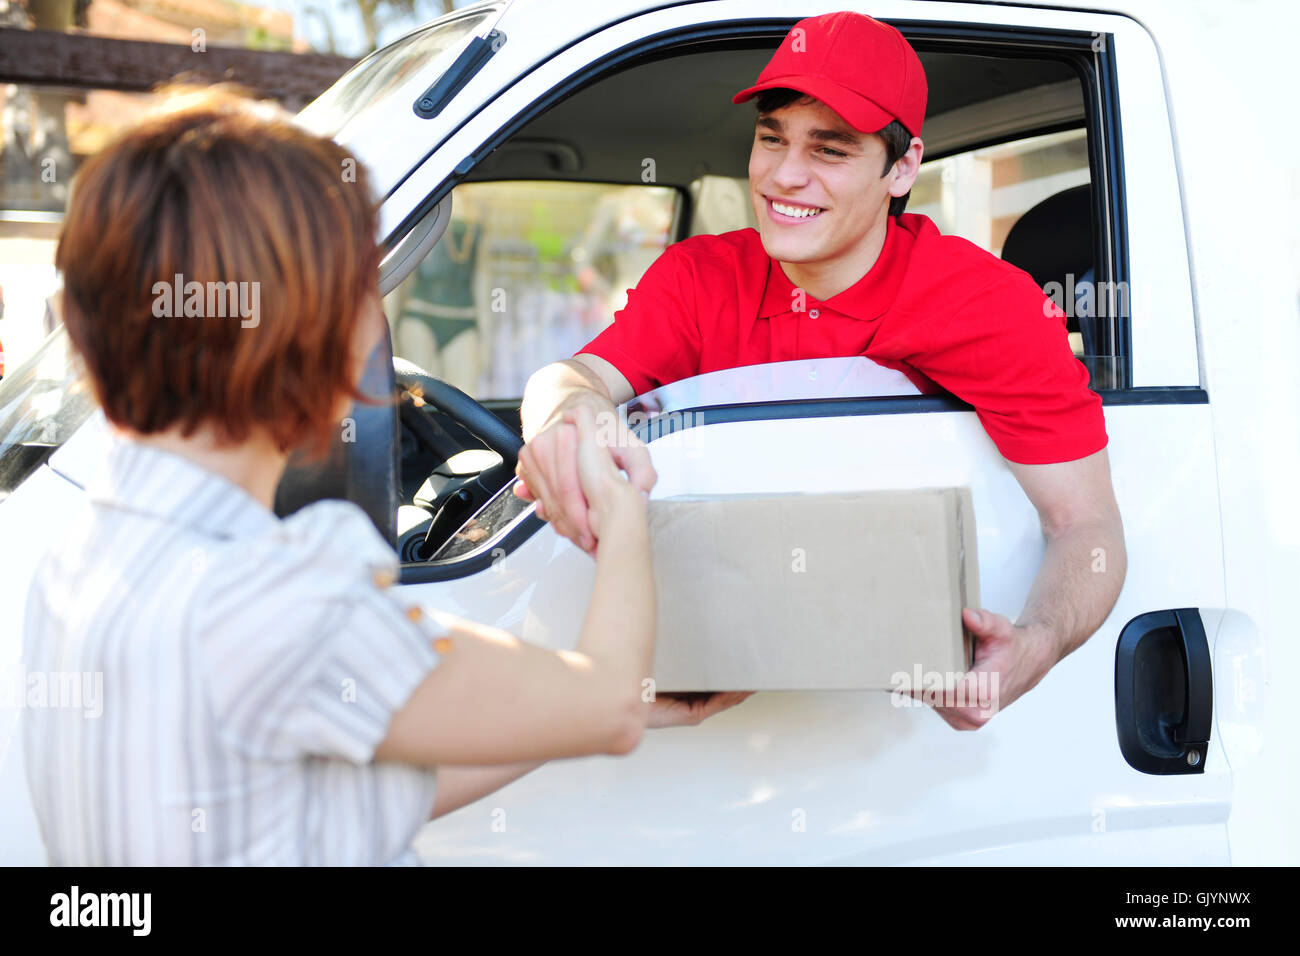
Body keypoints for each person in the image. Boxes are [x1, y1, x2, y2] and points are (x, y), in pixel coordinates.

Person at [22, 86, 748, 866]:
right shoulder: (279, 599)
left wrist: (577, 712)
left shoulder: (78, 558)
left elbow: (322, 799)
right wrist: (621, 491)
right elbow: (609, 705)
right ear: (325, 348)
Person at [517, 11, 1127, 730]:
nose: (783, 174)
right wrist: (569, 418)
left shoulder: (990, 309)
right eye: (771, 138)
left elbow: (1087, 527)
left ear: (902, 168)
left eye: (828, 150)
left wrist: (1037, 644)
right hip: (704, 732)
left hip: (909, 747)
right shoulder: (700, 279)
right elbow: (574, 379)